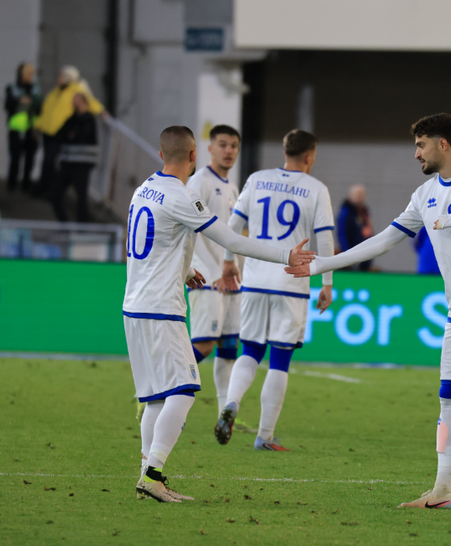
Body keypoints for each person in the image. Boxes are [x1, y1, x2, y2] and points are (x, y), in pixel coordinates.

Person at [285, 113, 451, 512]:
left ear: (443, 143)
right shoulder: (424, 194)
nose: (416, 154)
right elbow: (383, 241)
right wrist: (323, 264)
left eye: (421, 145)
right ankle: (444, 490)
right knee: (449, 396)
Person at [124, 125, 315, 503]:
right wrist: (285, 255)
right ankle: (154, 475)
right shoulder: (182, 194)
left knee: (158, 398)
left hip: (134, 305)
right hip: (161, 310)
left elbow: (154, 243)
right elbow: (230, 239)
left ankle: (146, 472)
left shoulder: (144, 188)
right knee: (184, 392)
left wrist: (184, 270)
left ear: (161, 155)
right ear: (194, 155)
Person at [214, 129, 336, 452]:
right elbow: (325, 238)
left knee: (250, 350)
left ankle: (232, 402)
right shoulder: (316, 189)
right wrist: (327, 282)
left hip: (254, 279)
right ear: (309, 156)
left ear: (285, 152)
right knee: (279, 359)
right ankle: (265, 436)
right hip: (290, 282)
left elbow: (233, 225)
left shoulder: (257, 180)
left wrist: (229, 262)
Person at [185, 125, 245, 425]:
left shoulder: (232, 187)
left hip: (230, 280)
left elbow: (233, 236)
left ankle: (224, 415)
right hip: (208, 278)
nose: (228, 150)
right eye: (222, 144)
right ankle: (158, 393)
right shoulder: (200, 181)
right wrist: (210, 272)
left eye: (233, 145)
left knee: (229, 349)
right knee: (205, 344)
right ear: (209, 148)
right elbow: (190, 230)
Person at [34, 66, 104, 197]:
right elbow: (47, 110)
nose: (59, 78)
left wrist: (102, 112)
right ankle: (44, 188)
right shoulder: (56, 91)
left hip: (59, 133)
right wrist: (38, 125)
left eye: (61, 76)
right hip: (48, 132)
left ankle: (48, 190)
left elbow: (90, 102)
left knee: (51, 161)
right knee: (47, 161)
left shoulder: (76, 90)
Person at [51, 93, 98, 222]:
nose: (73, 103)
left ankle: (82, 226)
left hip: (82, 165)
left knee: (81, 198)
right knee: (55, 194)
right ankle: (64, 225)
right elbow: (60, 135)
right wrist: (70, 135)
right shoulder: (71, 119)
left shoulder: (88, 119)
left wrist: (72, 135)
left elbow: (81, 137)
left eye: (76, 100)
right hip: (67, 164)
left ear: (84, 102)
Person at [5, 62, 42, 192]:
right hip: (16, 128)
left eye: (31, 73)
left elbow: (39, 107)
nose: (30, 76)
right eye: (28, 73)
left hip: (32, 129)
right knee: (15, 158)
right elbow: (8, 106)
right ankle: (11, 185)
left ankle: (26, 185)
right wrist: (19, 101)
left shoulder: (36, 88)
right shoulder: (12, 88)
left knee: (30, 159)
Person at [337, 184, 374, 271]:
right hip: (351, 253)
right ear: (351, 195)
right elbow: (342, 234)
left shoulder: (364, 210)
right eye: (357, 194)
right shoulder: (346, 212)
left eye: (362, 194)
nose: (360, 197)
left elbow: (369, 228)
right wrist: (347, 253)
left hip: (364, 254)